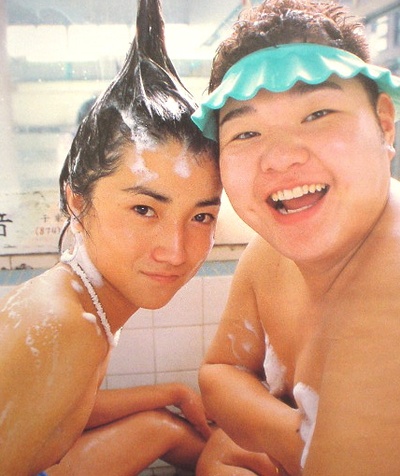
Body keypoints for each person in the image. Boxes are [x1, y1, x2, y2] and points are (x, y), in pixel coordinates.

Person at [0, 0, 222, 475]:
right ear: (77, 201)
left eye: (202, 216)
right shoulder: (67, 326)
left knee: (162, 427)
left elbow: (56, 408)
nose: (176, 251)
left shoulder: (76, 300)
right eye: (144, 209)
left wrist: (172, 393)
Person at [191, 0, 400, 475]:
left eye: (318, 113)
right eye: (246, 134)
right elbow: (219, 372)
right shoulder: (269, 254)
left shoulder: (391, 294)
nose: (281, 157)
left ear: (384, 125)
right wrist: (298, 437)